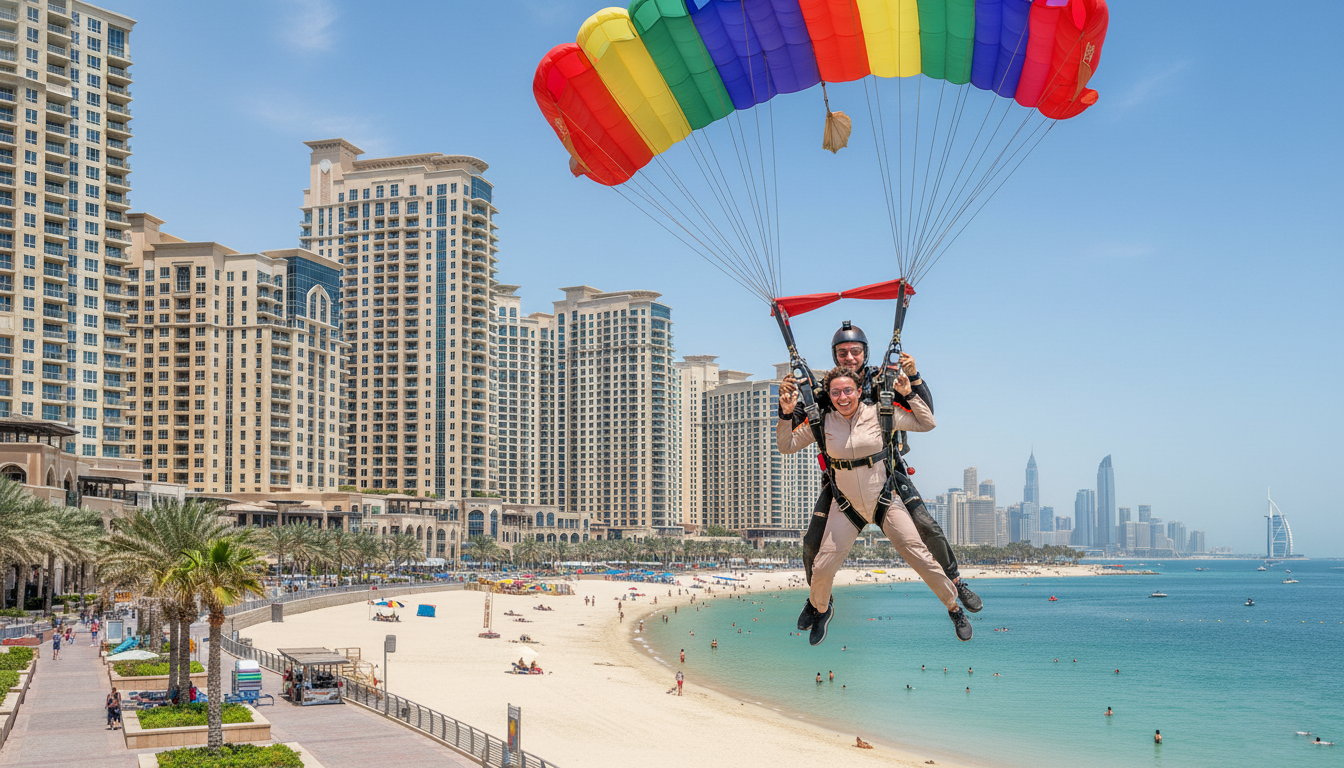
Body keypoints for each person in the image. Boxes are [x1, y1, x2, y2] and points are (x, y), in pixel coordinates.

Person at [781, 324, 982, 615]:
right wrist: (786, 408)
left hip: (885, 472)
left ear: (865, 352)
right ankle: (818, 602)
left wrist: (914, 377)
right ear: (835, 356)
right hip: (841, 480)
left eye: (855, 351)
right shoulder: (830, 388)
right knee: (812, 543)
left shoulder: (882, 381)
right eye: (842, 352)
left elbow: (925, 412)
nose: (849, 357)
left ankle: (955, 582)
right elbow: (805, 419)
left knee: (927, 527)